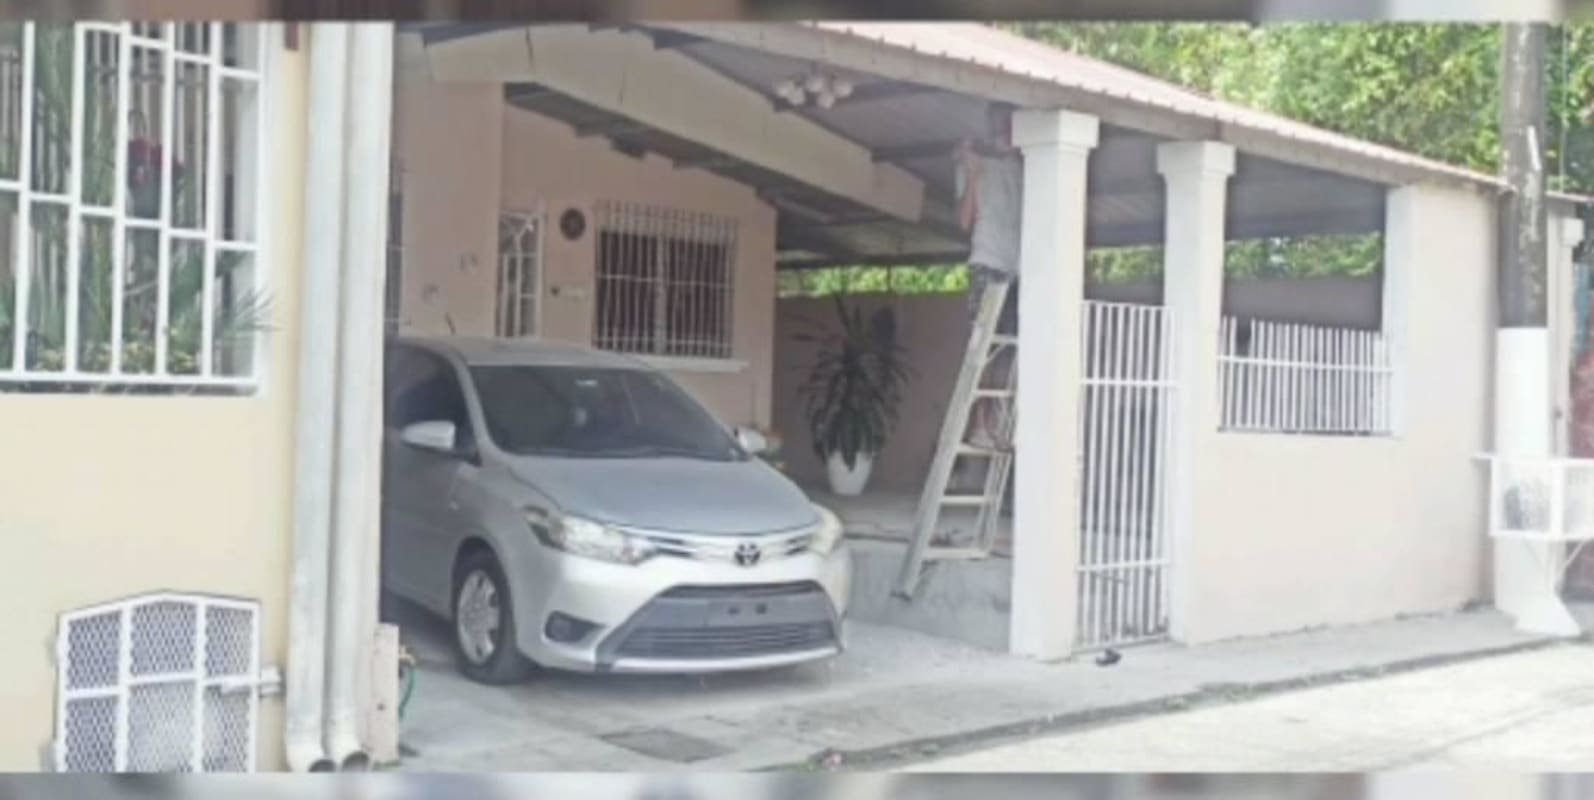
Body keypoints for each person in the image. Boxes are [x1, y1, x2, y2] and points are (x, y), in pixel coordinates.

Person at [955, 102, 1023, 454]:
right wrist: (972, 174)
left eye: (1008, 123)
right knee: (982, 345)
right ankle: (980, 424)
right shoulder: (975, 163)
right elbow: (964, 221)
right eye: (997, 123)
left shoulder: (1025, 164)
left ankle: (997, 422)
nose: (1003, 130)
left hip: (1018, 266)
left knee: (1007, 349)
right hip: (987, 261)